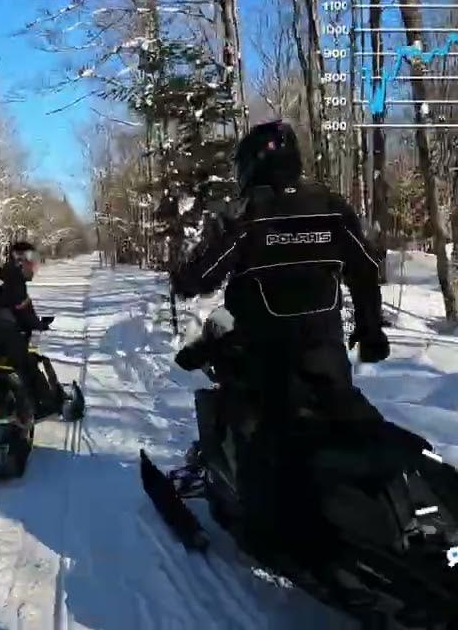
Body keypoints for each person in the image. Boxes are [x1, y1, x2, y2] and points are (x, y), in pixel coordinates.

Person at [169, 120, 392, 574]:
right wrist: (370, 331)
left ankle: (266, 535)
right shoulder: (331, 207)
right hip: (326, 357)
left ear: (252, 163)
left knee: (259, 435)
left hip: (264, 360)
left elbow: (201, 278)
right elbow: (367, 268)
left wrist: (182, 270)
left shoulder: (247, 214)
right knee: (342, 422)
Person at [0, 241, 53, 420]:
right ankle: (44, 404)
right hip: (4, 340)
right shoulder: (14, 279)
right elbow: (25, 312)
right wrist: (38, 325)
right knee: (30, 362)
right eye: (31, 260)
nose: (34, 266)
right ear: (20, 260)